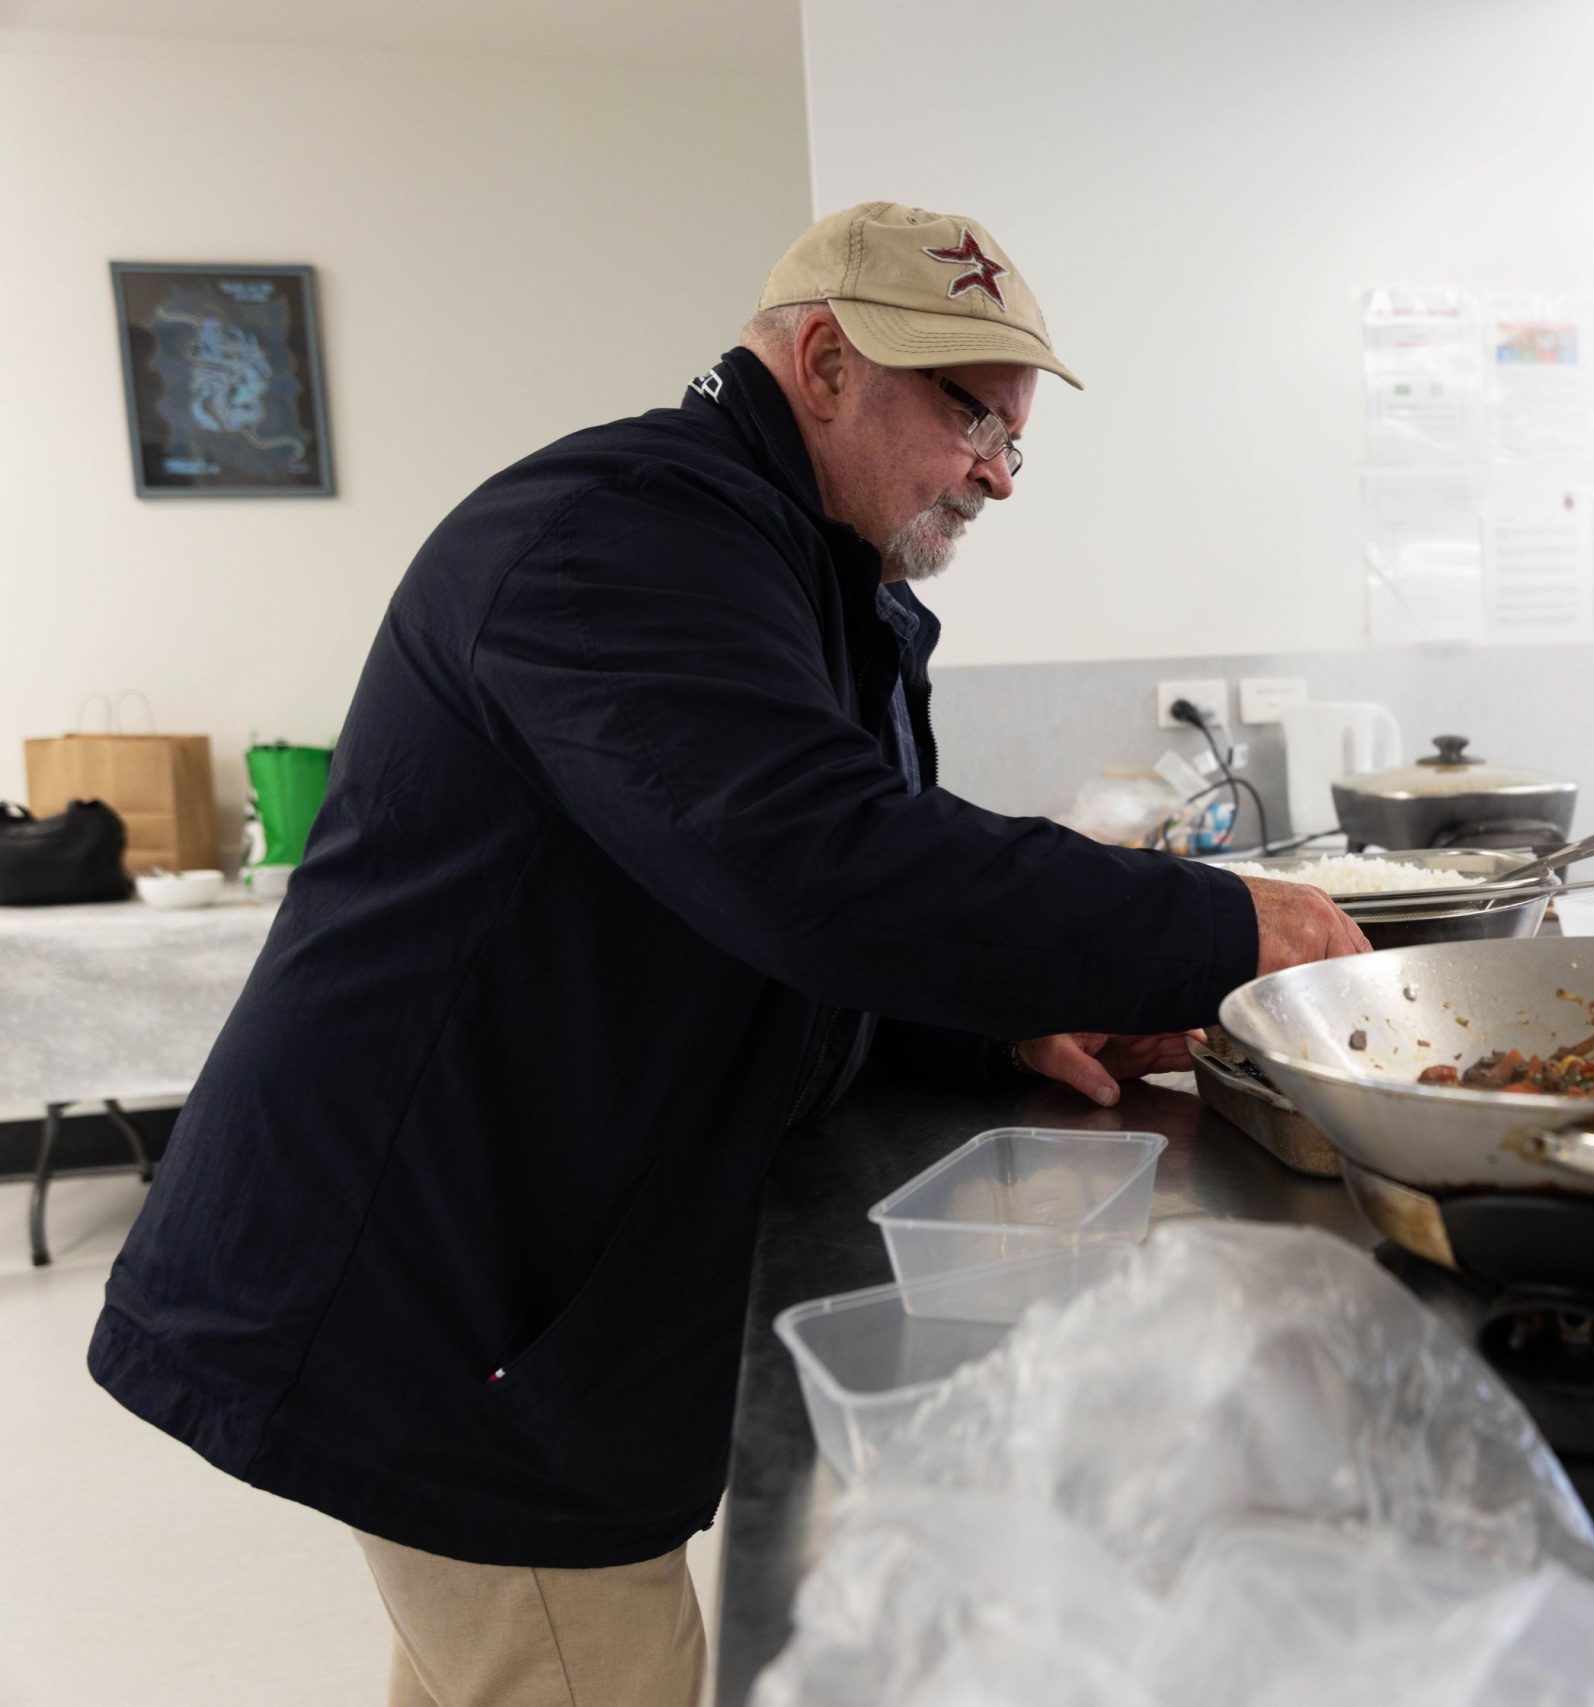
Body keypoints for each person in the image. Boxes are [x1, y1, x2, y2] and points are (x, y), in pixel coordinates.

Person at [88, 202, 1369, 1706]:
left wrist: (997, 1027)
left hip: (512, 1252)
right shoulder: (620, 539)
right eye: (972, 420)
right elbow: (816, 863)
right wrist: (1218, 925)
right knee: (593, 1668)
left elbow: (779, 889)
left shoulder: (802, 569)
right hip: (439, 1279)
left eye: (1020, 439)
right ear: (827, 361)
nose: (1000, 474)